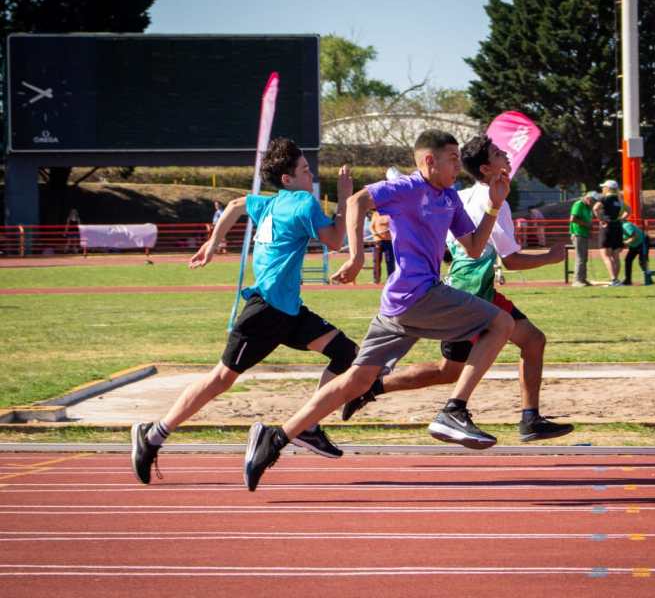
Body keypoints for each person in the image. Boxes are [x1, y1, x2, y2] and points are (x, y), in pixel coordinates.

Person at [242, 129, 516, 492]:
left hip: (401, 304)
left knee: (357, 381)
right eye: (452, 159)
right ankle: (455, 409)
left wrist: (494, 206)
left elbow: (475, 247)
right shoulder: (406, 187)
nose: (457, 166)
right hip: (418, 295)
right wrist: (357, 256)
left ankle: (276, 437)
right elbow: (358, 201)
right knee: (501, 323)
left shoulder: (449, 197)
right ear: (429, 161)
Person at [130, 137, 377, 485]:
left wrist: (213, 243)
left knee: (346, 354)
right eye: (305, 170)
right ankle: (153, 434)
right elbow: (336, 241)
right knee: (221, 379)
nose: (311, 176)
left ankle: (308, 425)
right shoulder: (303, 202)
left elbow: (234, 205)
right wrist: (343, 198)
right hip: (266, 313)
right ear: (288, 179)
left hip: (288, 311)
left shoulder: (269, 204)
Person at [341, 134, 573, 442]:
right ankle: (488, 413)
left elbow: (466, 244)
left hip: (460, 285)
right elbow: (511, 260)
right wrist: (551, 257)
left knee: (449, 370)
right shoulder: (493, 201)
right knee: (526, 338)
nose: (507, 156)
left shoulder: (461, 195)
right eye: (498, 153)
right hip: (471, 290)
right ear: (486, 168)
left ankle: (373, 388)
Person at [592, 180, 628, 286]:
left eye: (604, 187)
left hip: (607, 227)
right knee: (615, 255)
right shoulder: (620, 199)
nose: (602, 189)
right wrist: (621, 219)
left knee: (606, 255)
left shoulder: (604, 198)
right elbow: (629, 211)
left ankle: (614, 280)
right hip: (617, 227)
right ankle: (616, 280)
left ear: (608, 188)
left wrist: (601, 220)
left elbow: (595, 208)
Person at [569, 192, 597, 287]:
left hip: (584, 234)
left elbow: (588, 220)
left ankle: (583, 279)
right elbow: (573, 219)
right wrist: (587, 225)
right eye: (593, 201)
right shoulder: (579, 204)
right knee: (580, 258)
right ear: (588, 198)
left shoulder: (588, 207)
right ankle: (577, 280)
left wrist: (590, 229)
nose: (593, 204)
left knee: (584, 258)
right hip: (578, 234)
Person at [621, 220, 651, 286]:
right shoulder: (616, 229)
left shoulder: (626, 225)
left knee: (642, 261)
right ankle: (628, 280)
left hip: (643, 242)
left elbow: (634, 236)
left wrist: (625, 242)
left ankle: (649, 279)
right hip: (634, 245)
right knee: (628, 260)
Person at [370, 209, 394, 283]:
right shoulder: (375, 214)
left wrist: (391, 229)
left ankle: (390, 279)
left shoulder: (390, 214)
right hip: (378, 240)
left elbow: (394, 225)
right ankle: (376, 280)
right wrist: (375, 233)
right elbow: (371, 227)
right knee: (376, 260)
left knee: (389, 260)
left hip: (388, 240)